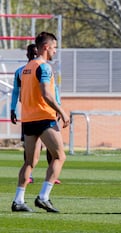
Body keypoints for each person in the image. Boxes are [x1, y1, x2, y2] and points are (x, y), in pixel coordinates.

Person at [11, 32, 70, 213]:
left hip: (28, 119)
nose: (55, 51)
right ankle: (43, 197)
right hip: (44, 117)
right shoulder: (44, 67)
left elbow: (20, 94)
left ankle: (18, 200)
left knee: (30, 161)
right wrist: (61, 111)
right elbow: (46, 93)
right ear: (46, 47)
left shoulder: (26, 68)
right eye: (54, 47)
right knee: (60, 156)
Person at [10, 44, 61, 185]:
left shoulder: (40, 68)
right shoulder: (24, 71)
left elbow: (53, 89)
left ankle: (49, 176)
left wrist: (57, 105)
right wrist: (12, 108)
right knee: (48, 153)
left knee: (48, 151)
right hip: (38, 114)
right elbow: (16, 91)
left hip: (36, 114)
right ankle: (40, 184)